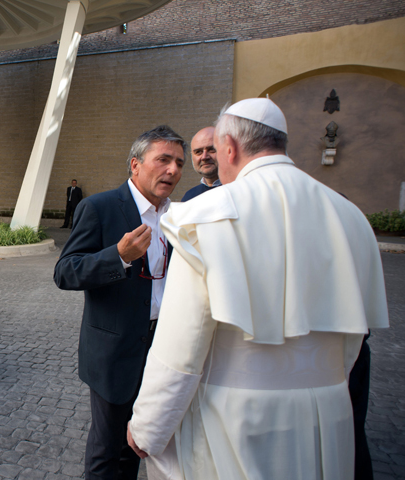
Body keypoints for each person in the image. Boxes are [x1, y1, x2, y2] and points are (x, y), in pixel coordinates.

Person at [126, 98, 389, 480]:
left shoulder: (204, 216)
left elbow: (181, 346)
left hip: (235, 421)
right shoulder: (349, 214)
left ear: (229, 148)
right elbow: (351, 342)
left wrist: (148, 425)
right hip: (328, 416)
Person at [54, 125, 186, 479]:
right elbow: (65, 272)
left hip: (161, 348)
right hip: (114, 351)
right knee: (106, 449)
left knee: (137, 443)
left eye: (178, 163)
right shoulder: (99, 207)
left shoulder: (178, 216)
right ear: (135, 165)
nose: (172, 170)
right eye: (163, 160)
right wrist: (118, 256)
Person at [181, 126, 220, 201]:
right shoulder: (189, 197)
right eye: (198, 152)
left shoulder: (241, 191)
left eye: (211, 150)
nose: (204, 157)